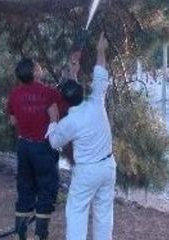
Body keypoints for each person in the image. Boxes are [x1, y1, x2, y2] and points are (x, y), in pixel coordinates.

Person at [47, 34, 115, 240]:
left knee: (76, 211)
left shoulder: (68, 123)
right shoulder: (96, 103)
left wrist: (52, 121)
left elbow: (54, 142)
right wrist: (100, 49)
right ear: (82, 92)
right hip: (108, 167)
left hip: (87, 171)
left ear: (65, 102)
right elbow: (100, 75)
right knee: (104, 213)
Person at [7, 58, 62, 240]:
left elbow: (13, 120)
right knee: (46, 189)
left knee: (24, 188)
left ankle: (20, 234)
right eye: (39, 67)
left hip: (24, 146)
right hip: (43, 147)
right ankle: (40, 234)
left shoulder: (14, 94)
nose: (41, 69)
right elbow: (54, 118)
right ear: (35, 73)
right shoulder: (49, 93)